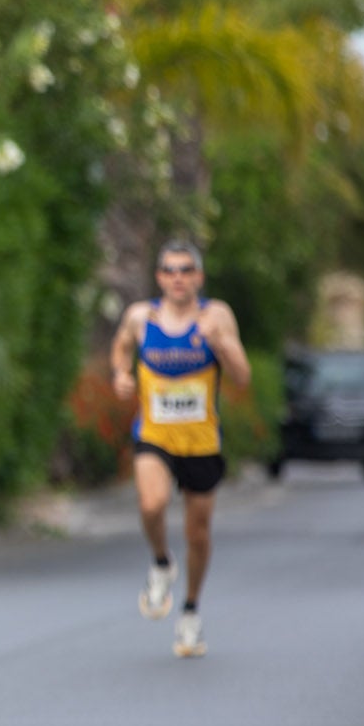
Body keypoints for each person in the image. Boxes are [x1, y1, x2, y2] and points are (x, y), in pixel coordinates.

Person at [110, 239, 251, 659]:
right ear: (159, 277)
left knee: (198, 532)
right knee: (151, 503)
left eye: (186, 270)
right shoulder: (142, 317)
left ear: (198, 277)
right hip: (155, 435)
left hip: (202, 441)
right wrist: (120, 375)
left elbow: (241, 377)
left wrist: (221, 344)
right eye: (170, 270)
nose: (178, 278)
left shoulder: (216, 315)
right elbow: (121, 347)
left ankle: (190, 610)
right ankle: (161, 562)